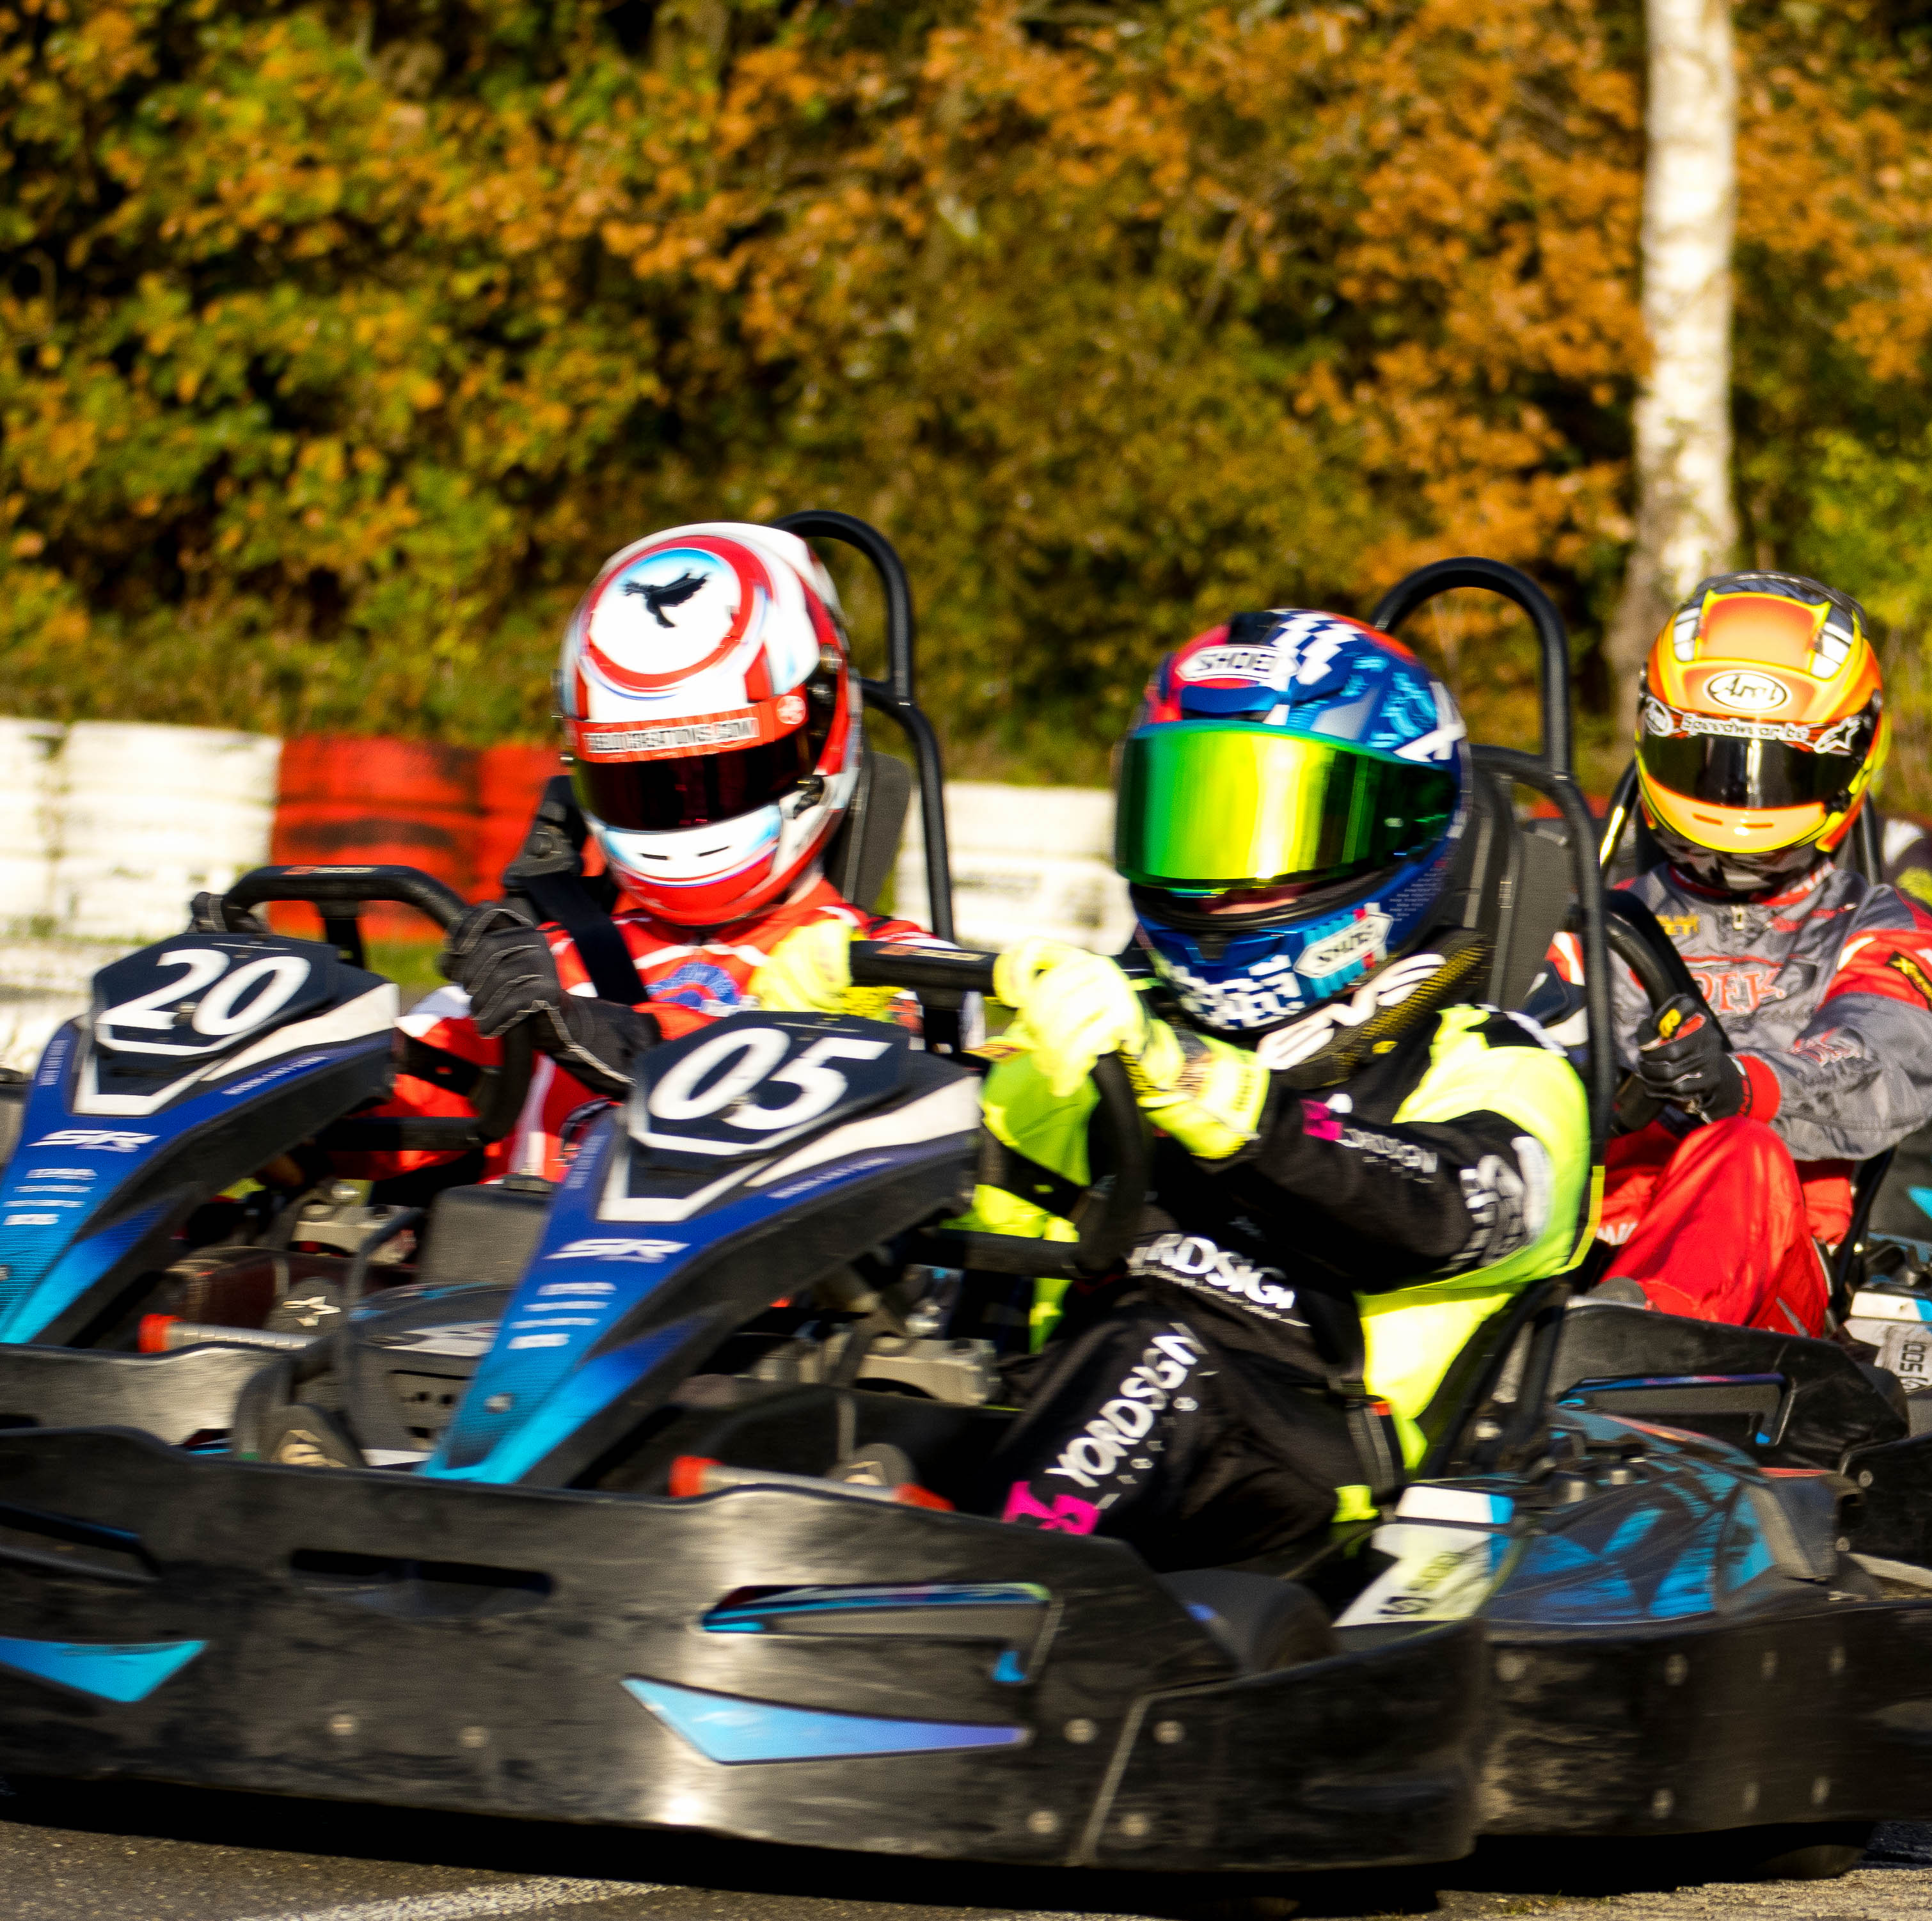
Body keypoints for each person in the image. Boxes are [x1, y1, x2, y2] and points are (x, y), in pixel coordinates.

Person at [962, 610, 1590, 1571]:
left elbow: (1439, 1207)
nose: (1220, 885)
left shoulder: (1500, 1063)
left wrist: (1202, 1086)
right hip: (1052, 1409)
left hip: (1323, 1475)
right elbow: (962, 1177)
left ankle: (969, 1612)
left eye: (1261, 828)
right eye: (1190, 820)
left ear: (1395, 830)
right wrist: (849, 1030)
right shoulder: (1108, 1023)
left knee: (1155, 1353)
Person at [380, 521, 944, 1177]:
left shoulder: (888, 963)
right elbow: (400, 1099)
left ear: (816, 732)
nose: (685, 808)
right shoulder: (543, 962)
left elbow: (878, 1099)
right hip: (515, 1240)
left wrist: (617, 1036)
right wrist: (309, 1058)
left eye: (720, 775)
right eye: (644, 785)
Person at [1576, 572, 1932, 1337]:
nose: (1738, 801)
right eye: (1708, 762)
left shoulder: (1887, 930)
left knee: (1741, 1149)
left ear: (1846, 761)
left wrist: (1743, 1083)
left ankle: (1634, 1337)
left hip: (1773, 1277)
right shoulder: (1593, 922)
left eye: (1778, 770)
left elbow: (1884, 1058)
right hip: (1577, 1245)